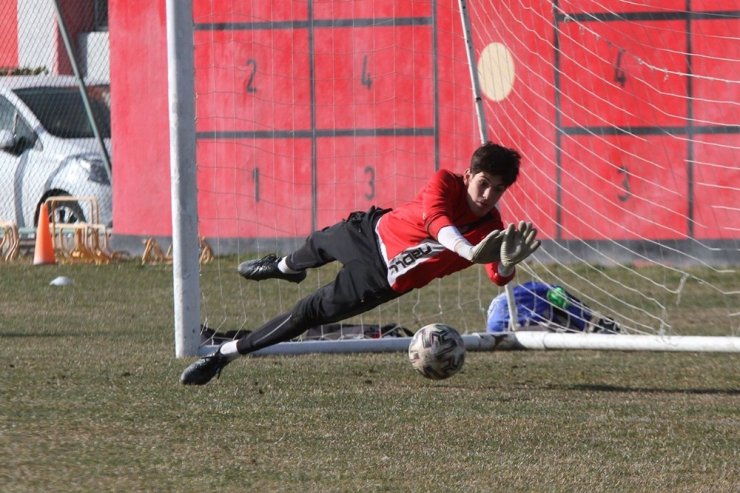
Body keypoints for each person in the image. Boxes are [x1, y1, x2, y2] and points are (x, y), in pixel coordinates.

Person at [181, 142, 541, 385]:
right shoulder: (445, 182)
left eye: (497, 190)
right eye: (483, 184)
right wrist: (466, 250)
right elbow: (436, 221)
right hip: (370, 231)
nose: (487, 195)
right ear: (468, 176)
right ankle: (285, 268)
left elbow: (497, 276)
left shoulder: (493, 229)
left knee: (305, 314)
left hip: (381, 278)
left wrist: (507, 264)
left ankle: (221, 357)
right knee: (319, 243)